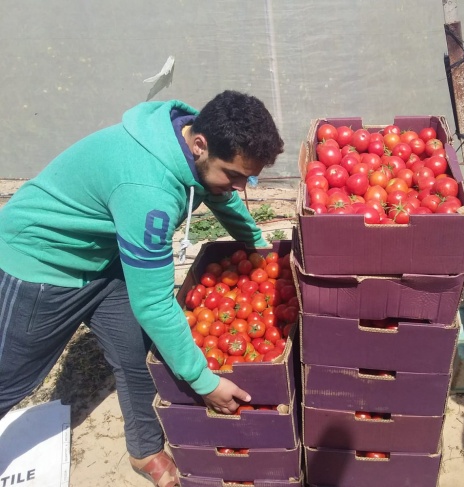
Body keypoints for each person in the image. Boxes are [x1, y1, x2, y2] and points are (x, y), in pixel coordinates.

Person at [0, 90, 284, 487]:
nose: (239, 187)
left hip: (104, 254)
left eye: (247, 177)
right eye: (234, 175)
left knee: (134, 358)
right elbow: (153, 302)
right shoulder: (147, 192)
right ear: (200, 145)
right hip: (44, 263)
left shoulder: (184, 139)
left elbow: (215, 192)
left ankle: (145, 450)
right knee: (12, 378)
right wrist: (205, 382)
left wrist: (255, 242)